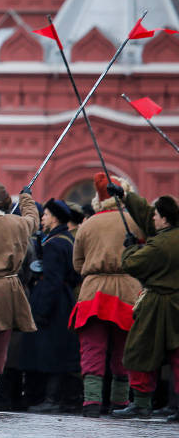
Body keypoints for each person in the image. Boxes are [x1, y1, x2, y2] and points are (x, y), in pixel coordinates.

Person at [70, 174, 143, 417]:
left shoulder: (88, 224)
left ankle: (91, 403)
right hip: (128, 290)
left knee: (92, 348)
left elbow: (77, 263)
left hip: (93, 292)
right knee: (124, 349)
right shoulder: (135, 221)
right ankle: (120, 403)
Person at [109, 188, 179, 420]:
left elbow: (133, 264)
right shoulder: (171, 234)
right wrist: (126, 196)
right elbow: (147, 214)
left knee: (140, 350)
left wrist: (130, 247)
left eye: (157, 216)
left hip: (158, 305)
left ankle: (141, 404)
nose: (152, 218)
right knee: (177, 357)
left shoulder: (161, 245)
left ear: (166, 219)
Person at [0, 180, 39, 409]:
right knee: (2, 345)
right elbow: (33, 220)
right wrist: (26, 199)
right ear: (6, 202)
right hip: (8, 290)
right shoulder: (18, 223)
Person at [20, 199, 81, 413]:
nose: (42, 218)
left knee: (50, 353)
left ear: (54, 218)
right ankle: (55, 398)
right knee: (58, 350)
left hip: (53, 303)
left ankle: (51, 399)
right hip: (64, 300)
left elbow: (52, 280)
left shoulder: (54, 244)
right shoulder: (67, 240)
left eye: (45, 215)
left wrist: (41, 311)